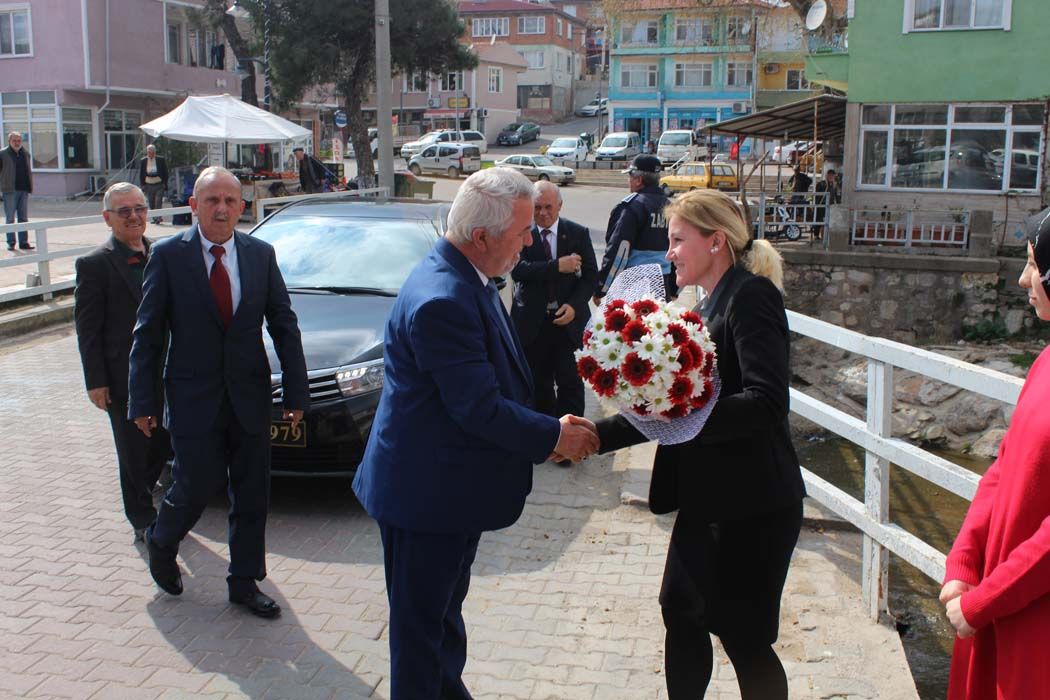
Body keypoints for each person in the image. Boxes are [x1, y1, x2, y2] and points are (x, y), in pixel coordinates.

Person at [352, 167, 599, 699]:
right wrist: (553, 435)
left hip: (448, 493)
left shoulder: (467, 275)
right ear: (482, 236)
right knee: (421, 638)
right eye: (523, 232)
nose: (530, 242)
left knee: (441, 623)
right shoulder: (443, 299)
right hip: (426, 500)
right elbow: (478, 408)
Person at [595, 189, 805, 700]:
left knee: (744, 638)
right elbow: (673, 404)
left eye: (677, 240)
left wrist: (684, 418)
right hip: (707, 498)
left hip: (755, 503)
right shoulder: (706, 303)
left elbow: (767, 401)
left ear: (715, 242)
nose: (668, 252)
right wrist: (594, 435)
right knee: (681, 612)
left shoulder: (751, 296)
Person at [128, 166, 309, 618]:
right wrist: (143, 401)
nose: (222, 209)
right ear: (194, 206)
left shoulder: (260, 255)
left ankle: (244, 582)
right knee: (195, 483)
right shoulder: (169, 256)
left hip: (249, 395)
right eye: (212, 200)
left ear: (242, 206)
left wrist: (296, 393)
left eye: (230, 201)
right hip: (192, 397)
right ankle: (162, 539)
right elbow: (148, 335)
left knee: (252, 493)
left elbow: (283, 324)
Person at [939, 208, 1050, 699]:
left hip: (1032, 624)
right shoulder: (1045, 360)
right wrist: (964, 561)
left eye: (1034, 264)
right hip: (1003, 602)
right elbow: (1004, 469)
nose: (1024, 278)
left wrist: (985, 601)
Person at [74, 183, 172, 543]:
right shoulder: (94, 265)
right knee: (133, 451)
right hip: (123, 377)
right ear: (107, 218)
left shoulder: (162, 253)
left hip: (166, 371)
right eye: (124, 211)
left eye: (139, 208)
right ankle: (142, 517)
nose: (133, 216)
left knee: (163, 443)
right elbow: (88, 330)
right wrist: (95, 381)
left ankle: (149, 497)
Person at [510, 180, 598, 433]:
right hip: (533, 323)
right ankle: (546, 437)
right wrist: (557, 266)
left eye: (548, 207)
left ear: (559, 205)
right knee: (539, 383)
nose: (543, 213)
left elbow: (591, 277)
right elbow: (517, 271)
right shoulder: (522, 233)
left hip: (568, 323)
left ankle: (574, 437)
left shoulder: (577, 233)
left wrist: (573, 306)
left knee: (571, 382)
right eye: (537, 208)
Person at [594, 154, 675, 304]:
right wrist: (674, 289)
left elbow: (619, 252)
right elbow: (678, 252)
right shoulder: (671, 207)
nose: (629, 181)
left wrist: (602, 288)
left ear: (639, 180)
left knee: (632, 320)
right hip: (663, 286)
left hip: (634, 285)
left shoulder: (632, 207)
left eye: (630, 176)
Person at [0, 131, 34, 251]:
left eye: (19, 140)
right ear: (9, 141)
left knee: (23, 218)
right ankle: (11, 242)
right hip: (9, 190)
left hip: (23, 189)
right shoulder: (2, 154)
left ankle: (23, 242)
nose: (17, 143)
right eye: (14, 140)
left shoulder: (25, 153)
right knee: (10, 218)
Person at [138, 145, 169, 225]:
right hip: (148, 185)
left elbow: (165, 172)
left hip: (159, 184)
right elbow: (141, 174)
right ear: (147, 152)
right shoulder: (143, 161)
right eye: (149, 152)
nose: (150, 154)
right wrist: (142, 185)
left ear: (154, 152)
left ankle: (158, 218)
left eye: (152, 152)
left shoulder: (160, 160)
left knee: (158, 201)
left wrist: (165, 183)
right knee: (151, 202)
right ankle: (154, 218)